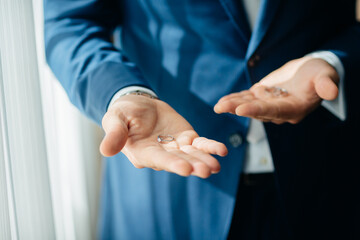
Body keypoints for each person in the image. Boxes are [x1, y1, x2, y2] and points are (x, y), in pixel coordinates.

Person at [44, 0, 360, 239]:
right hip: (171, 190)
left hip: (325, 181)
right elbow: (70, 23)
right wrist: (123, 92)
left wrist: (334, 60)